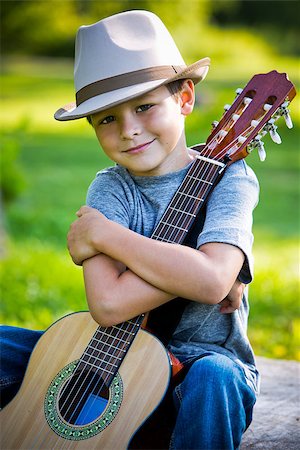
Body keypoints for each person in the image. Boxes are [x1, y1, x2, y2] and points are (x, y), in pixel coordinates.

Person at [0, 10, 259, 449]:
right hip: (105, 361)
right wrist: (192, 271)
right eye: (107, 119)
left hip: (194, 367)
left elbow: (213, 281)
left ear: (185, 98)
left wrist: (106, 237)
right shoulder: (110, 188)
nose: (129, 130)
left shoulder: (231, 179)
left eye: (144, 106)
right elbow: (108, 304)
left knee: (218, 378)